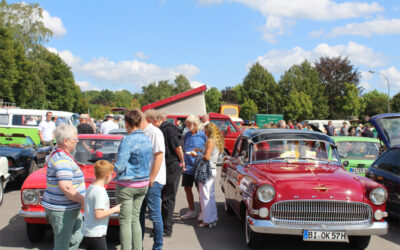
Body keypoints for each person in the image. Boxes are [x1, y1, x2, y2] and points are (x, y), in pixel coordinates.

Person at [41, 124, 85, 250]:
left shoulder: (58, 151)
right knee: (62, 244)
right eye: (75, 139)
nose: (76, 142)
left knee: (77, 234)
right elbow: (66, 188)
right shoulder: (62, 159)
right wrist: (84, 200)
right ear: (65, 141)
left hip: (68, 207)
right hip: (63, 209)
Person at [114, 109, 152, 250]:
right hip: (143, 183)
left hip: (127, 184)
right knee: (135, 219)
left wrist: (113, 168)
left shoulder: (127, 140)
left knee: (125, 221)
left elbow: (121, 165)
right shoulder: (146, 139)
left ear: (127, 123)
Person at [140, 109, 166, 250]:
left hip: (153, 181)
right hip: (143, 179)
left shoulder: (154, 132)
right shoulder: (143, 132)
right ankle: (139, 245)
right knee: (140, 215)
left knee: (154, 215)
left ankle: (158, 246)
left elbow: (159, 156)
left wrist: (151, 178)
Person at [190, 123, 224, 228]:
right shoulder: (216, 141)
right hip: (212, 170)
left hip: (207, 170)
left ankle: (207, 220)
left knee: (204, 196)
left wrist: (196, 155)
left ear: (208, 131)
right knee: (210, 196)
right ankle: (212, 218)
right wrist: (200, 150)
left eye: (205, 131)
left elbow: (206, 157)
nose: (204, 133)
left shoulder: (210, 141)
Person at [83, 160, 121, 250]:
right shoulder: (100, 191)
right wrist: (115, 209)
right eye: (112, 174)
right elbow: (98, 214)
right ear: (107, 175)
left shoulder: (91, 187)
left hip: (89, 231)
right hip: (96, 233)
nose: (112, 177)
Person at [158, 112, 185, 237]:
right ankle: (165, 227)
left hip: (168, 165)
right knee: (167, 198)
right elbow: (178, 148)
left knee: (166, 198)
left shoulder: (166, 130)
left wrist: (182, 160)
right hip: (169, 165)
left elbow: (178, 147)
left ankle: (165, 228)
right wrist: (182, 161)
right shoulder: (167, 129)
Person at [181, 115, 207, 220]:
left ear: (194, 124)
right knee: (187, 188)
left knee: (199, 190)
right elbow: (183, 149)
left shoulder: (203, 135)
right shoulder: (187, 135)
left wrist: (198, 153)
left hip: (198, 166)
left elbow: (207, 150)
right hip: (188, 166)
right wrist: (183, 161)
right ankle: (191, 211)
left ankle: (202, 212)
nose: (186, 126)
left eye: (188, 124)